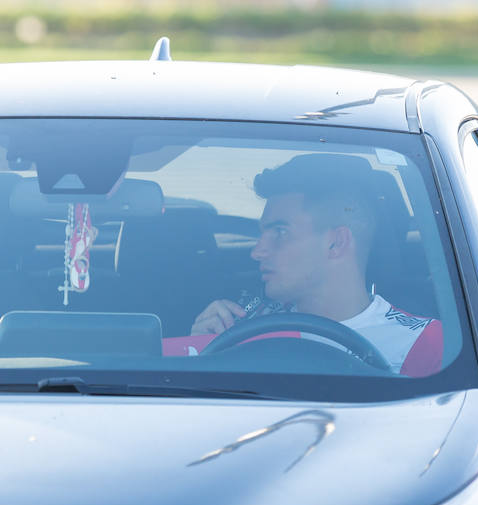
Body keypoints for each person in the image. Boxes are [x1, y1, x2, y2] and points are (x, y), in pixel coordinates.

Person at [184, 154, 443, 377]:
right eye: (262, 234)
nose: (257, 251)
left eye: (280, 232)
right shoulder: (239, 329)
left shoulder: (426, 345)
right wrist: (201, 349)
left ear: (336, 243)